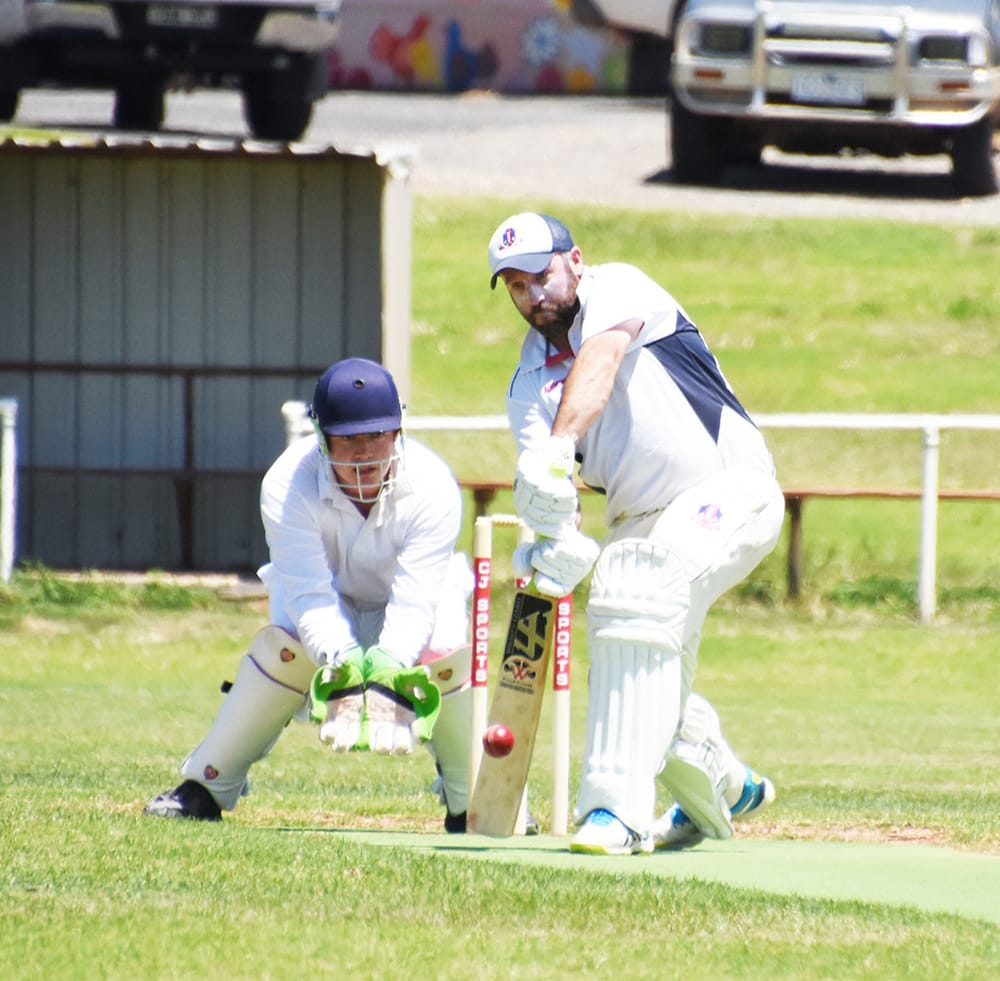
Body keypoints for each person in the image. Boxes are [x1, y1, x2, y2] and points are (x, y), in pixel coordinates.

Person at [488, 212, 784, 855]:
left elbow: (599, 360)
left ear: (575, 261)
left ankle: (613, 814)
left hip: (727, 486)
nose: (533, 296)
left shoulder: (618, 287)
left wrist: (560, 447)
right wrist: (552, 537)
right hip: (636, 522)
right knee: (633, 664)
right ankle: (727, 785)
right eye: (515, 286)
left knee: (636, 589)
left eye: (540, 275)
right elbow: (547, 490)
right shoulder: (528, 386)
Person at [145, 357, 474, 831]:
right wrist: (339, 660)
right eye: (349, 438)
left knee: (444, 655)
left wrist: (389, 668)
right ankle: (207, 784)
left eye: (377, 435)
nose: (364, 453)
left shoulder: (433, 484)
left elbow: (418, 596)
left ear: (398, 431)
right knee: (284, 649)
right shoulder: (285, 483)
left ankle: (470, 800)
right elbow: (308, 591)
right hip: (326, 601)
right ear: (321, 437)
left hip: (412, 605)